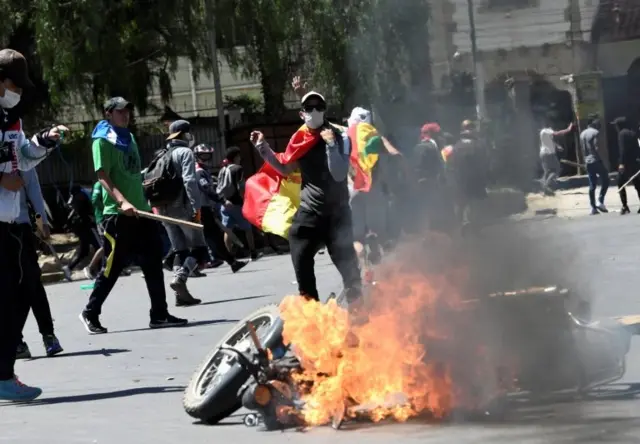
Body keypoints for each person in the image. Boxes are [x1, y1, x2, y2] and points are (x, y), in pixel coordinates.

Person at [79, 97, 187, 334]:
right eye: (120, 112)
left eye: (127, 111)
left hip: (141, 211)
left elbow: (132, 174)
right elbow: (102, 176)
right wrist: (122, 201)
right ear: (108, 113)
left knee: (152, 262)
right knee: (113, 267)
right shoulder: (102, 140)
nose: (125, 115)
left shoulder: (129, 137)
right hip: (117, 214)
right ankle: (90, 312)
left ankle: (159, 314)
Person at [0, 47, 69, 401]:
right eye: (14, 84)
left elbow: (23, 160)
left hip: (12, 222)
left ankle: (4, 371)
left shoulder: (10, 120)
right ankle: (3, 374)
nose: (18, 92)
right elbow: (6, 173)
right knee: (15, 293)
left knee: (23, 291)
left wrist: (44, 142)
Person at [249, 91, 362, 303]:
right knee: (299, 250)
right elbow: (284, 168)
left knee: (349, 270)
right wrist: (263, 148)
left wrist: (330, 145)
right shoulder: (300, 139)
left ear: (325, 111)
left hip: (337, 215)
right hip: (311, 212)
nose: (315, 112)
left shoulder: (340, 136)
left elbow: (338, 174)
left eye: (319, 107)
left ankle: (361, 316)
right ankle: (312, 314)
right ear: (302, 114)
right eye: (309, 108)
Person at [152, 119, 207, 306]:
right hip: (182, 207)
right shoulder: (185, 152)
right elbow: (190, 181)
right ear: (185, 135)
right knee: (198, 249)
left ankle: (181, 296)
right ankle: (180, 279)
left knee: (179, 251)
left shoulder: (161, 155)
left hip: (163, 209)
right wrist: (196, 208)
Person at [15, 168, 64, 359]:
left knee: (32, 284)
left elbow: (33, 191)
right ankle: (15, 341)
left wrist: (42, 222)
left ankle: (48, 336)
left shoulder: (19, 150)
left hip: (20, 227)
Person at [194, 143, 248, 273]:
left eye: (208, 155)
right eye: (203, 155)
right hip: (202, 208)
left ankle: (227, 261)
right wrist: (222, 200)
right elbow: (206, 188)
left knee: (208, 237)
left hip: (204, 207)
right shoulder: (199, 171)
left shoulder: (203, 170)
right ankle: (230, 261)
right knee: (212, 237)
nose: (206, 158)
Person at [218, 147, 261, 261]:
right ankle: (253, 252)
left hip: (224, 203)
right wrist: (245, 200)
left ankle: (230, 256)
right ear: (236, 157)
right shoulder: (238, 169)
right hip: (237, 203)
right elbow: (240, 186)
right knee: (247, 228)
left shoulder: (223, 169)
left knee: (228, 229)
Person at [63, 186, 101, 280]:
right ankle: (99, 271)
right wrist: (91, 218)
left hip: (81, 226)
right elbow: (85, 211)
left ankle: (69, 268)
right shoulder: (81, 196)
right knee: (99, 247)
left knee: (85, 251)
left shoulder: (75, 197)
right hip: (86, 226)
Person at [579, 115, 609, 215]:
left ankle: (593, 208)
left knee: (592, 185)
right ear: (592, 122)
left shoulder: (582, 134)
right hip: (596, 160)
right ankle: (600, 201)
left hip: (588, 161)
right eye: (596, 121)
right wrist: (604, 160)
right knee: (606, 180)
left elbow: (583, 150)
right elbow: (597, 148)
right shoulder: (595, 132)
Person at [612, 116, 640, 215]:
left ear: (619, 125)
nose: (615, 127)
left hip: (626, 164)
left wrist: (622, 164)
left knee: (620, 183)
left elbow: (623, 150)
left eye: (616, 125)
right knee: (638, 184)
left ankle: (625, 206)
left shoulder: (622, 134)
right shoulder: (632, 133)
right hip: (635, 163)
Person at [539, 118, 573, 196]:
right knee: (557, 169)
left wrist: (557, 146)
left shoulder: (544, 132)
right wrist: (568, 129)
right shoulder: (546, 130)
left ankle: (544, 190)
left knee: (547, 171)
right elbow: (557, 133)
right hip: (549, 153)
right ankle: (546, 186)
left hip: (544, 153)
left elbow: (551, 140)